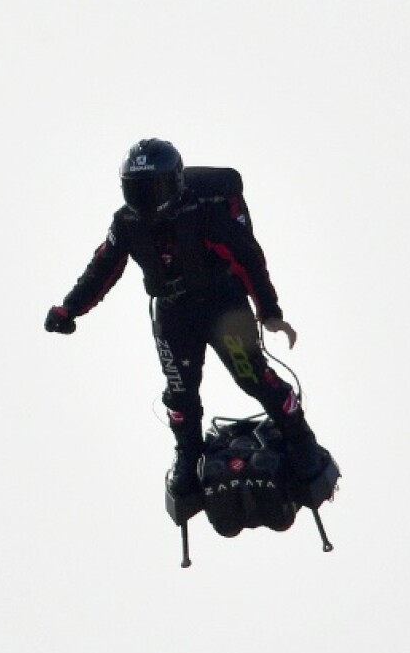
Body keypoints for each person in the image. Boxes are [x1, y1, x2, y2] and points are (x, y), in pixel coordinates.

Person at [44, 138, 329, 507]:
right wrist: (69, 309)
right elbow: (102, 268)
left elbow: (247, 259)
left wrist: (270, 312)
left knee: (251, 376)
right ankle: (188, 454)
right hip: (173, 312)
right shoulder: (126, 223)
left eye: (155, 189)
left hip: (222, 305)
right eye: (137, 190)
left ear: (176, 183)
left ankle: (298, 434)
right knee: (179, 393)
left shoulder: (205, 212)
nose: (147, 200)